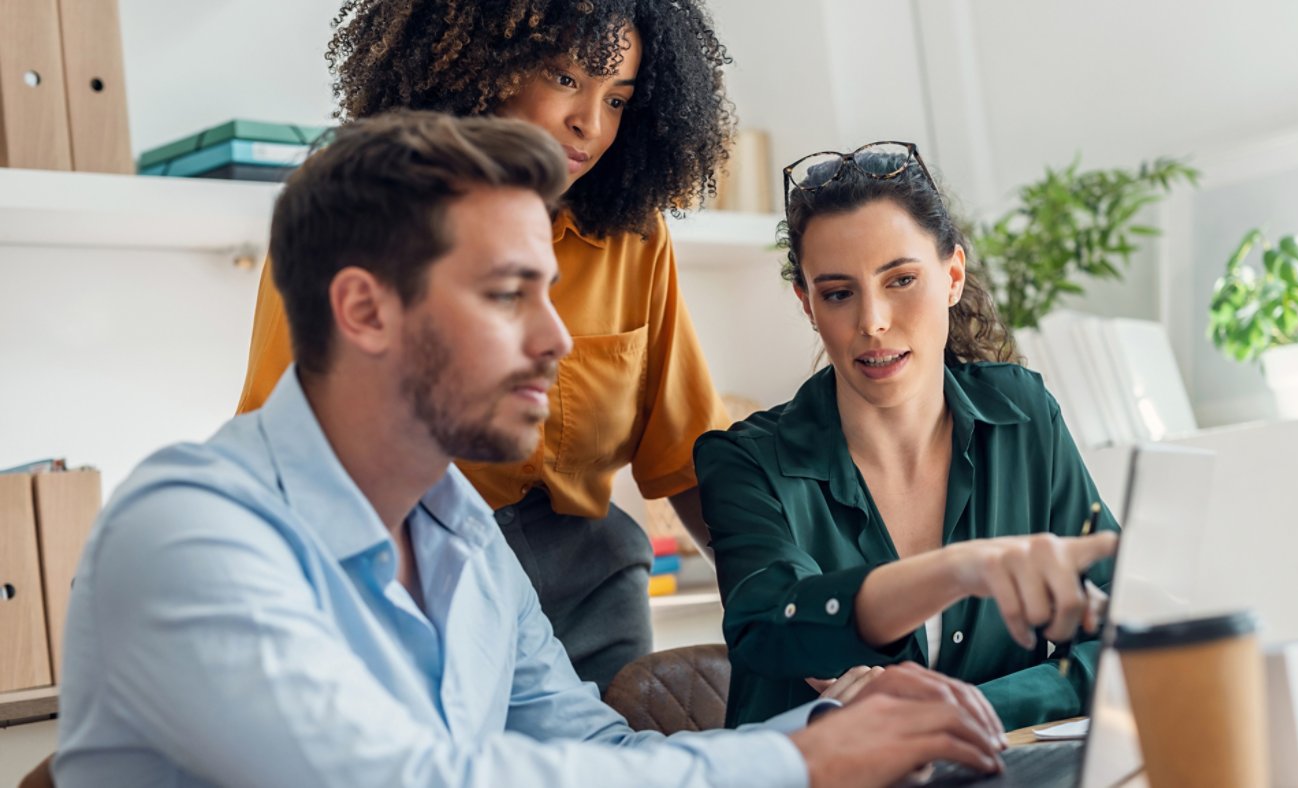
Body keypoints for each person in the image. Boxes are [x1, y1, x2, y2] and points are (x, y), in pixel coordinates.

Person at [51, 113, 1011, 788]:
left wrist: (843, 726)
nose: (558, 337)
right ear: (364, 310)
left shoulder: (462, 534)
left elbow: (593, 753)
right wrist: (799, 762)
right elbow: (408, 780)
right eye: (509, 294)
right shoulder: (188, 531)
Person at [238, 0, 738, 690]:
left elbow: (685, 457)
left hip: (588, 588)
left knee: (608, 743)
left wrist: (784, 612)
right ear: (485, 66)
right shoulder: (355, 209)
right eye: (566, 79)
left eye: (617, 99)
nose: (590, 124)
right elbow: (288, 444)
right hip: (410, 570)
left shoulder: (635, 236)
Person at [694, 142, 1121, 732]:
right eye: (838, 293)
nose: (872, 321)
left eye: (900, 280)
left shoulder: (1023, 416)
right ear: (808, 305)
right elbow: (772, 628)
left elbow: (1122, 628)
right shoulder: (745, 462)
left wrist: (970, 708)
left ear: (952, 277)